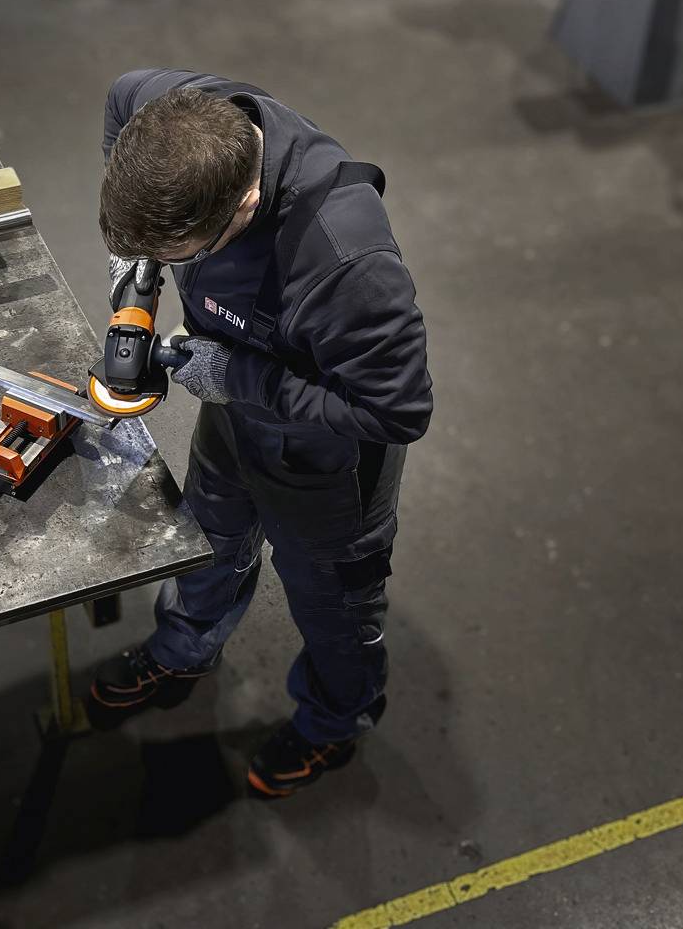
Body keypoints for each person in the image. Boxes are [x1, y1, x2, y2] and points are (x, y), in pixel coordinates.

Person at [89, 69, 433, 798]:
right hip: (230, 408)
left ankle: (334, 722)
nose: (175, 269)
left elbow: (397, 410)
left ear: (243, 202)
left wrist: (239, 377)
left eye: (182, 254)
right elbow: (122, 98)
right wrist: (139, 262)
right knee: (206, 543)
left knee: (333, 607)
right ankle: (185, 648)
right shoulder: (181, 113)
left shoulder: (346, 262)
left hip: (326, 466)